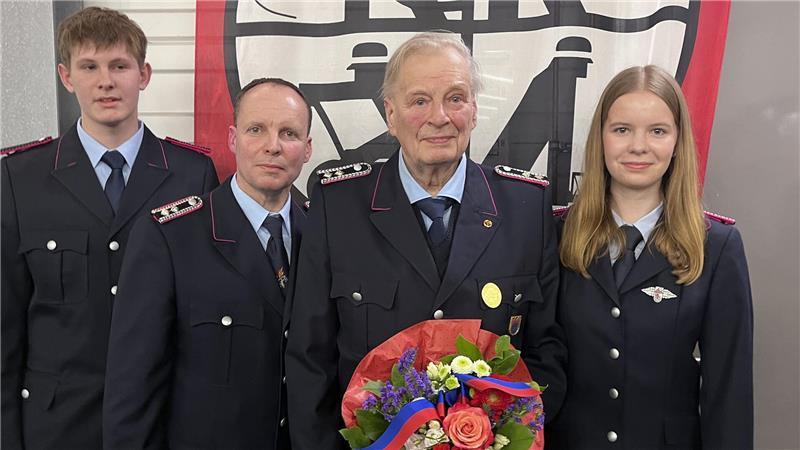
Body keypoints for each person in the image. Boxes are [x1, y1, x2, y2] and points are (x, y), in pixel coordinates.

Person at [285, 31, 567, 449]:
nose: (439, 116)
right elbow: (310, 359)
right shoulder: (338, 205)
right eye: (419, 101)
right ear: (391, 114)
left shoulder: (527, 208)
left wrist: (509, 437)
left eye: (455, 98)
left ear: (473, 111)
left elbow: (547, 352)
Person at [0, 7, 218, 450]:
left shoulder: (191, 174)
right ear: (66, 76)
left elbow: (205, 311)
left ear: (144, 74)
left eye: (119, 65)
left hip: (162, 421)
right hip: (57, 426)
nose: (106, 81)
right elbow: (4, 327)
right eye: (89, 66)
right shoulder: (18, 178)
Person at [548, 65, 753, 449]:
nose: (638, 146)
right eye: (622, 129)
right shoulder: (556, 235)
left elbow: (729, 391)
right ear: (601, 139)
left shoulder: (717, 246)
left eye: (657, 131)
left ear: (677, 141)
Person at [103, 78, 312, 449]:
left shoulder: (322, 236)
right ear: (233, 139)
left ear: (308, 149)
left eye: (289, 133)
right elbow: (133, 387)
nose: (273, 146)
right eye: (256, 129)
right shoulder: (169, 236)